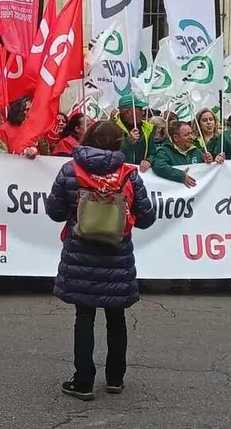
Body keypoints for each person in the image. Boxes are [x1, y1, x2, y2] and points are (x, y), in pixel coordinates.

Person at [45, 121, 156, 400]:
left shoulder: (71, 170)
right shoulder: (129, 175)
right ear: (119, 143)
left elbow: (55, 211)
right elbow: (147, 218)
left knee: (84, 317)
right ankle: (115, 379)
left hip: (80, 254)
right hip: (116, 255)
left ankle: (83, 381)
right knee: (116, 316)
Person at [151, 121, 206, 188]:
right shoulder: (165, 151)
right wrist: (181, 176)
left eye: (191, 133)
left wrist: (209, 161)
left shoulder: (196, 150)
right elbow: (159, 166)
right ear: (175, 138)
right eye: (186, 135)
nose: (191, 137)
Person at [116, 95, 155, 171]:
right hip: (122, 177)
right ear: (128, 112)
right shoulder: (112, 128)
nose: (143, 112)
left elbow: (154, 153)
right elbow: (111, 156)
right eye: (140, 109)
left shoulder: (148, 128)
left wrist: (149, 160)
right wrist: (128, 142)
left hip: (143, 176)